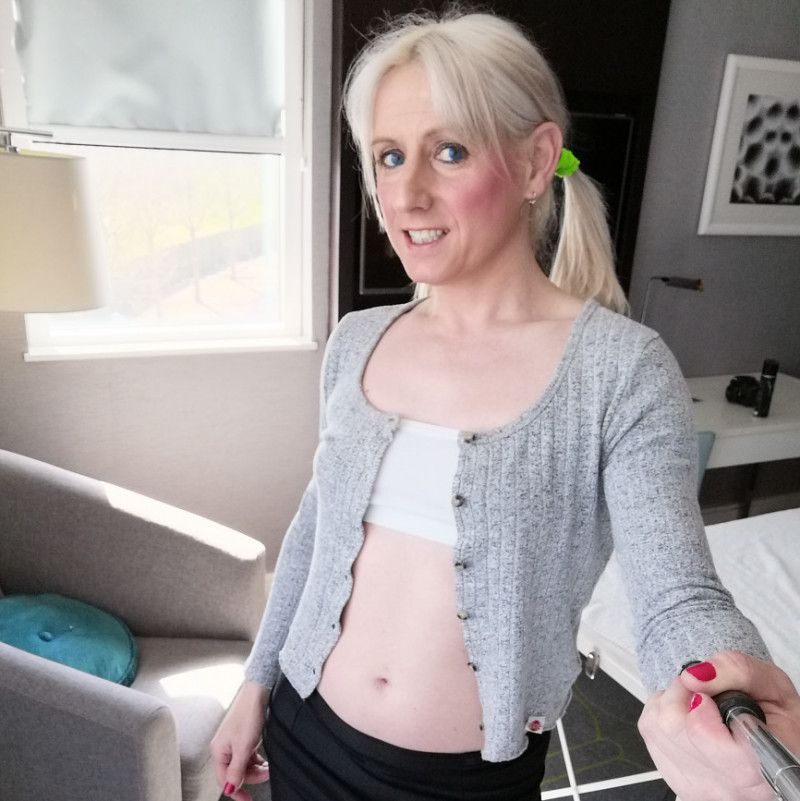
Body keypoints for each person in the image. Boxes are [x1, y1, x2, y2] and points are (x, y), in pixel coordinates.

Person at [210, 8, 800, 801]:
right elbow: (318, 526)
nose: (407, 193)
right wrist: (256, 681)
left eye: (448, 151)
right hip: (305, 732)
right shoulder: (357, 340)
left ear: (534, 162)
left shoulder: (620, 371)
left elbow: (675, 592)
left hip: (464, 783)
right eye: (389, 156)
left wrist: (735, 697)